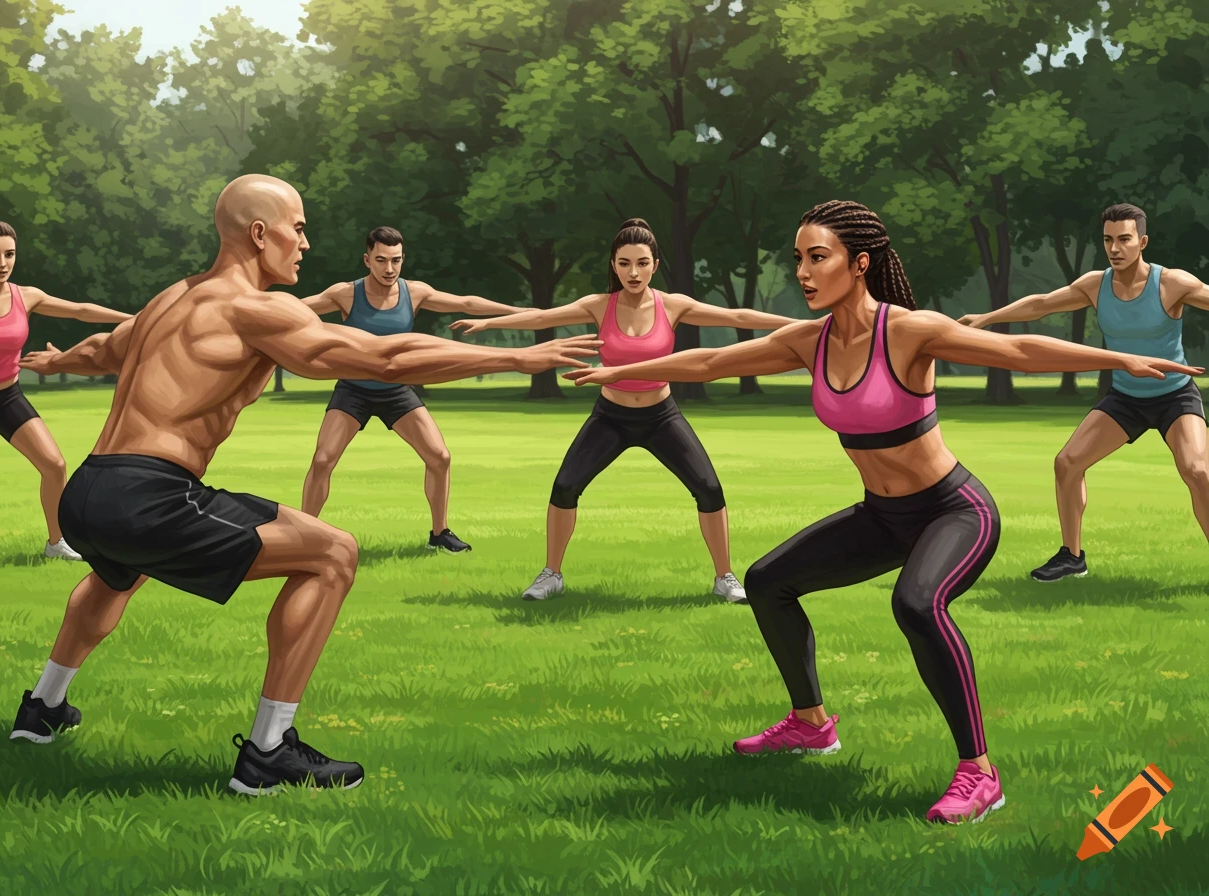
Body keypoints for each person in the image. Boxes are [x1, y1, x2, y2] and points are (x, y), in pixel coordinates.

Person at [564, 200, 1200, 823]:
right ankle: (811, 725)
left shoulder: (909, 331)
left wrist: (1118, 360)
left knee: (917, 605)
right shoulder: (807, 340)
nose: (804, 273)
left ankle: (979, 773)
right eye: (798, 260)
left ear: (860, 262)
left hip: (955, 511)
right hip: (882, 516)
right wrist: (617, 370)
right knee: (766, 581)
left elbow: (1022, 351)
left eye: (819, 257)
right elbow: (708, 361)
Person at [7, 174, 600, 796]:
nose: (306, 243)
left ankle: (42, 710)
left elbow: (106, 349)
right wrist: (514, 357)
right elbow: (383, 360)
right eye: (297, 227)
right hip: (147, 496)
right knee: (333, 554)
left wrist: (57, 360)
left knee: (114, 575)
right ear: (258, 235)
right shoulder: (253, 308)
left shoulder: (171, 298)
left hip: (89, 491)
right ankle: (268, 754)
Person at [451, 217, 798, 603]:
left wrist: (802, 325)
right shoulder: (600, 305)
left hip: (661, 416)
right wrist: (487, 324)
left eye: (642, 263)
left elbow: (737, 318)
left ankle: (725, 577)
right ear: (613, 265)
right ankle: (551, 574)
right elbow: (540, 317)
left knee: (709, 489)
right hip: (611, 418)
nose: (634, 273)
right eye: (624, 264)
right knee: (565, 487)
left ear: (655, 264)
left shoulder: (674, 305)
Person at [958, 203, 1209, 582]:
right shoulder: (1095, 285)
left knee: (1197, 470)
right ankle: (1072, 557)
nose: (1115, 248)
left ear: (1142, 241)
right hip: (1125, 397)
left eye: (1124, 239)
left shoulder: (1171, 283)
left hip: (1174, 395)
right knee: (1067, 463)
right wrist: (986, 319)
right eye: (1108, 240)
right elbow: (1040, 305)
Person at [300, 226, 524, 552]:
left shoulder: (414, 292)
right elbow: (293, 312)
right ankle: (306, 536)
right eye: (381, 260)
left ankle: (439, 534)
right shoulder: (345, 293)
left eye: (396, 260)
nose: (389, 269)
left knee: (440, 457)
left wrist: (521, 313)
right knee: (322, 461)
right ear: (367, 260)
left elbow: (467, 302)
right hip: (353, 390)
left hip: (396, 390)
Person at [0, 215, 133, 559]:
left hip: (6, 398)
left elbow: (81, 311)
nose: (3, 263)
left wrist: (135, 319)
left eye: (9, 254)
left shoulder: (27, 296)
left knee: (54, 466)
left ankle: (56, 544)